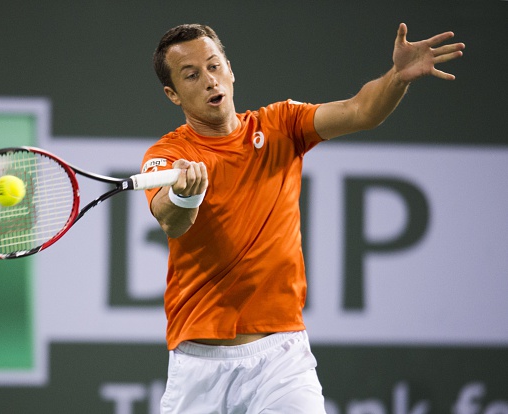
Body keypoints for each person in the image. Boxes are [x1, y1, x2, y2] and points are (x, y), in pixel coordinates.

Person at [141, 23, 464, 413]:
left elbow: (361, 110)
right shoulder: (170, 152)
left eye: (213, 66)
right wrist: (183, 195)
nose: (209, 80)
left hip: (281, 360)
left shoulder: (281, 125)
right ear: (172, 94)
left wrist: (397, 77)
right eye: (191, 75)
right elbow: (170, 219)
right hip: (199, 365)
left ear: (229, 68)